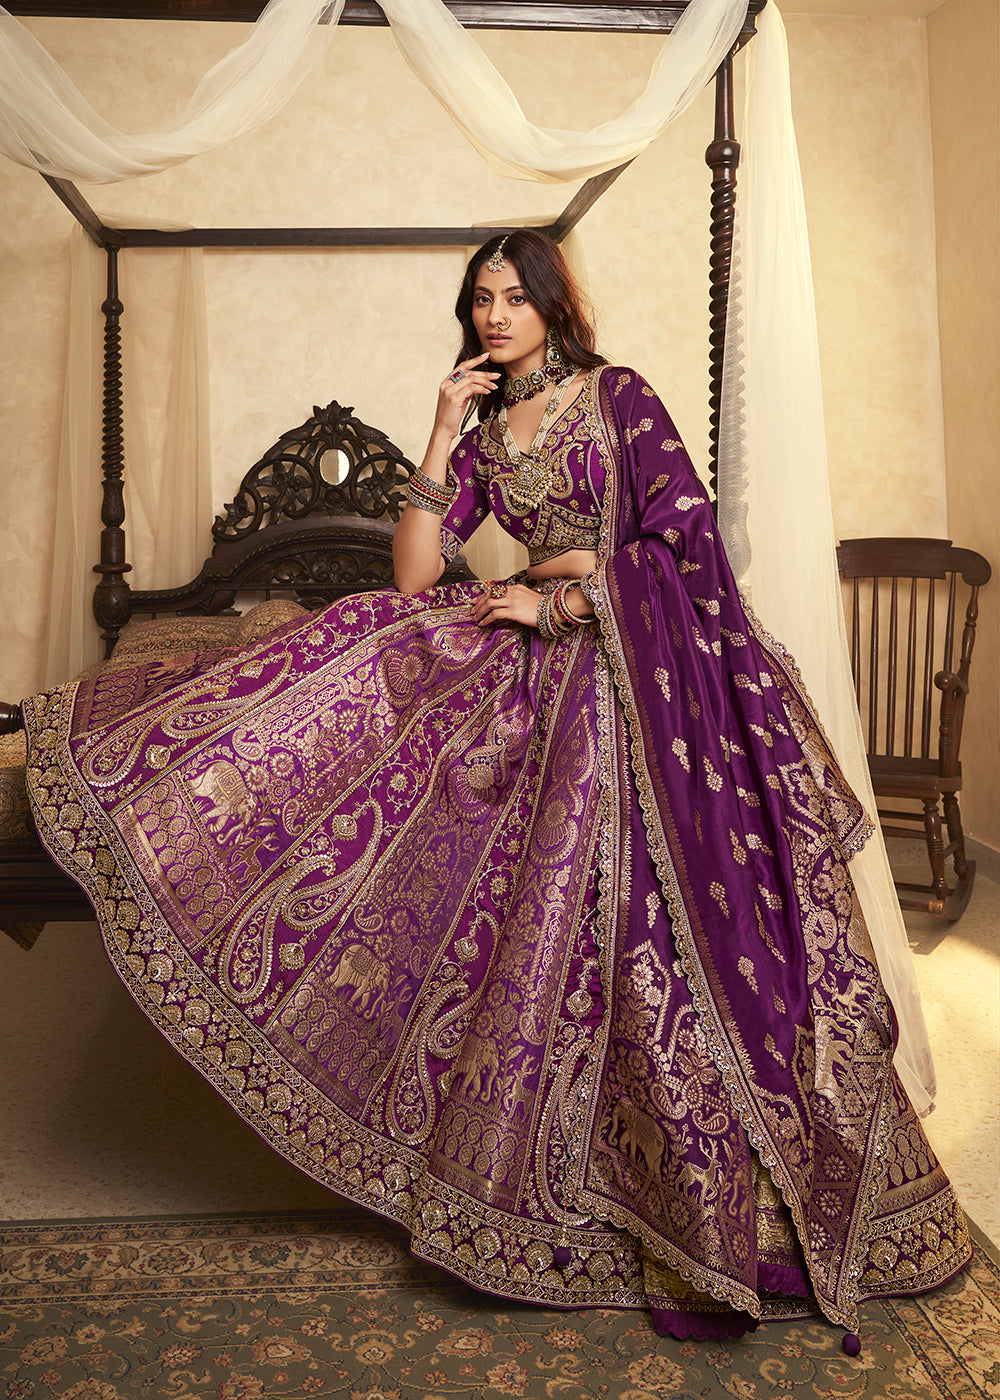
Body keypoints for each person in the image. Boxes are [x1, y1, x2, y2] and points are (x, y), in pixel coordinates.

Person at [23, 230, 970, 1344]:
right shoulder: (481, 432)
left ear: (553, 304)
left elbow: (687, 545)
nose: (495, 314)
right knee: (372, 643)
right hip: (530, 639)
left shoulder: (617, 398)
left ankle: (706, 1169)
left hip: (639, 672)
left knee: (635, 906)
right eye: (481, 298)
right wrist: (438, 432)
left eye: (515, 296)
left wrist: (562, 597)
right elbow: (416, 573)